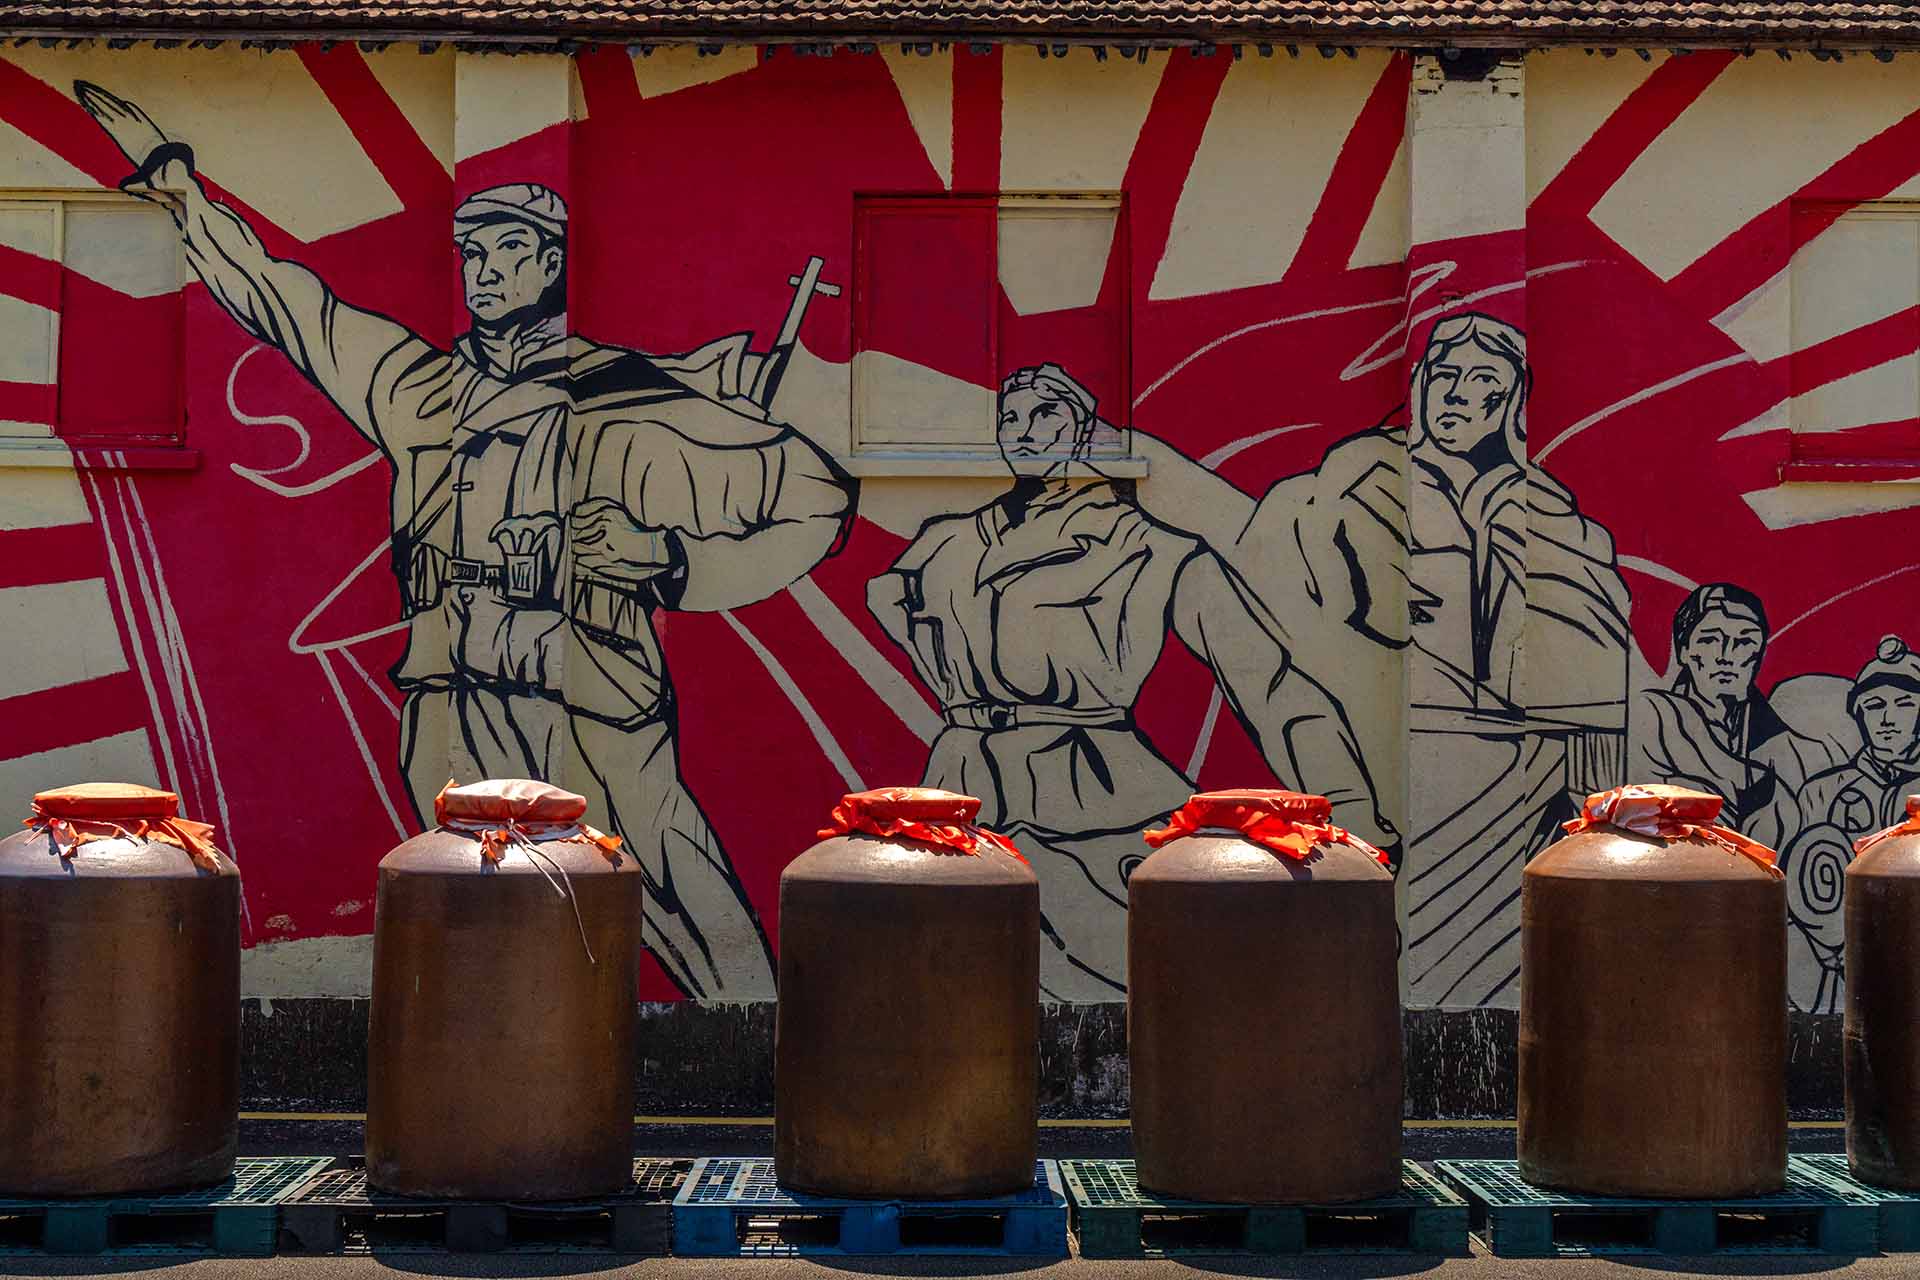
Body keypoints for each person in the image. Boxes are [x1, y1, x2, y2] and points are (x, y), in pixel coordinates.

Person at [77, 82, 856, 1000]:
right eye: (474, 253)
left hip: (592, 695)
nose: (484, 270)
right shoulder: (422, 392)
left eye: (510, 250)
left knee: (678, 890)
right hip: (451, 697)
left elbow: (819, 500)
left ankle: (758, 1041)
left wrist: (672, 561)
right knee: (477, 908)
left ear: (554, 263)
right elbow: (293, 305)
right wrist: (185, 195)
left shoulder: (635, 398)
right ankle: (503, 1058)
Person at [867, 364, 1391, 1000]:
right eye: (1010, 418)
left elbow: (1270, 685)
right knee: (949, 982)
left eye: (1046, 415)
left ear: (1084, 428)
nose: (1025, 431)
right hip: (962, 780)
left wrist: (1349, 809)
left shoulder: (1146, 547)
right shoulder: (946, 540)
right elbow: (885, 595)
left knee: (1155, 972)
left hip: (1090, 789)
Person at [1632, 584, 1835, 852]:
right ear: (1684, 650)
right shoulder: (1656, 718)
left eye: (1744, 642)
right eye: (1709, 640)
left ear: (1759, 655)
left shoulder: (1797, 754)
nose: (1725, 656)